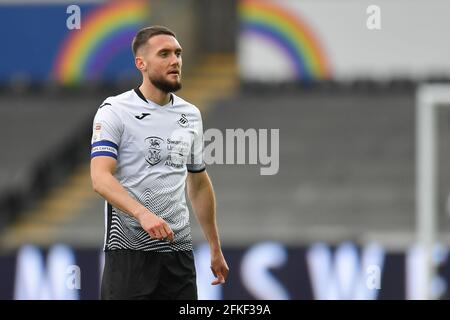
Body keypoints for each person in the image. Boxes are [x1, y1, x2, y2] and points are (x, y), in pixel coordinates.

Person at [90, 25, 229, 300]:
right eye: (164, 54)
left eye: (178, 53)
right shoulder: (114, 111)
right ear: (141, 63)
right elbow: (100, 178)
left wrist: (214, 246)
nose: (175, 60)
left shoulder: (190, 115)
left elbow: (198, 182)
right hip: (129, 255)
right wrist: (142, 214)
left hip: (178, 258)